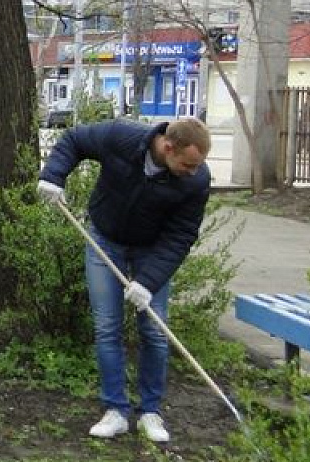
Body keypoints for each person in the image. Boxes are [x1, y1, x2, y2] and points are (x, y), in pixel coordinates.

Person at [36, 117, 212, 444]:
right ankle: (115, 410)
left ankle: (150, 412)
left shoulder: (196, 180)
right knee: (107, 326)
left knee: (154, 330)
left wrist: (148, 281)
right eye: (187, 164)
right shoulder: (121, 138)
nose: (192, 171)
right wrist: (53, 176)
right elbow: (75, 139)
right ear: (167, 147)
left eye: (196, 166)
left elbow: (181, 236)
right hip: (106, 240)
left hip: (153, 250)